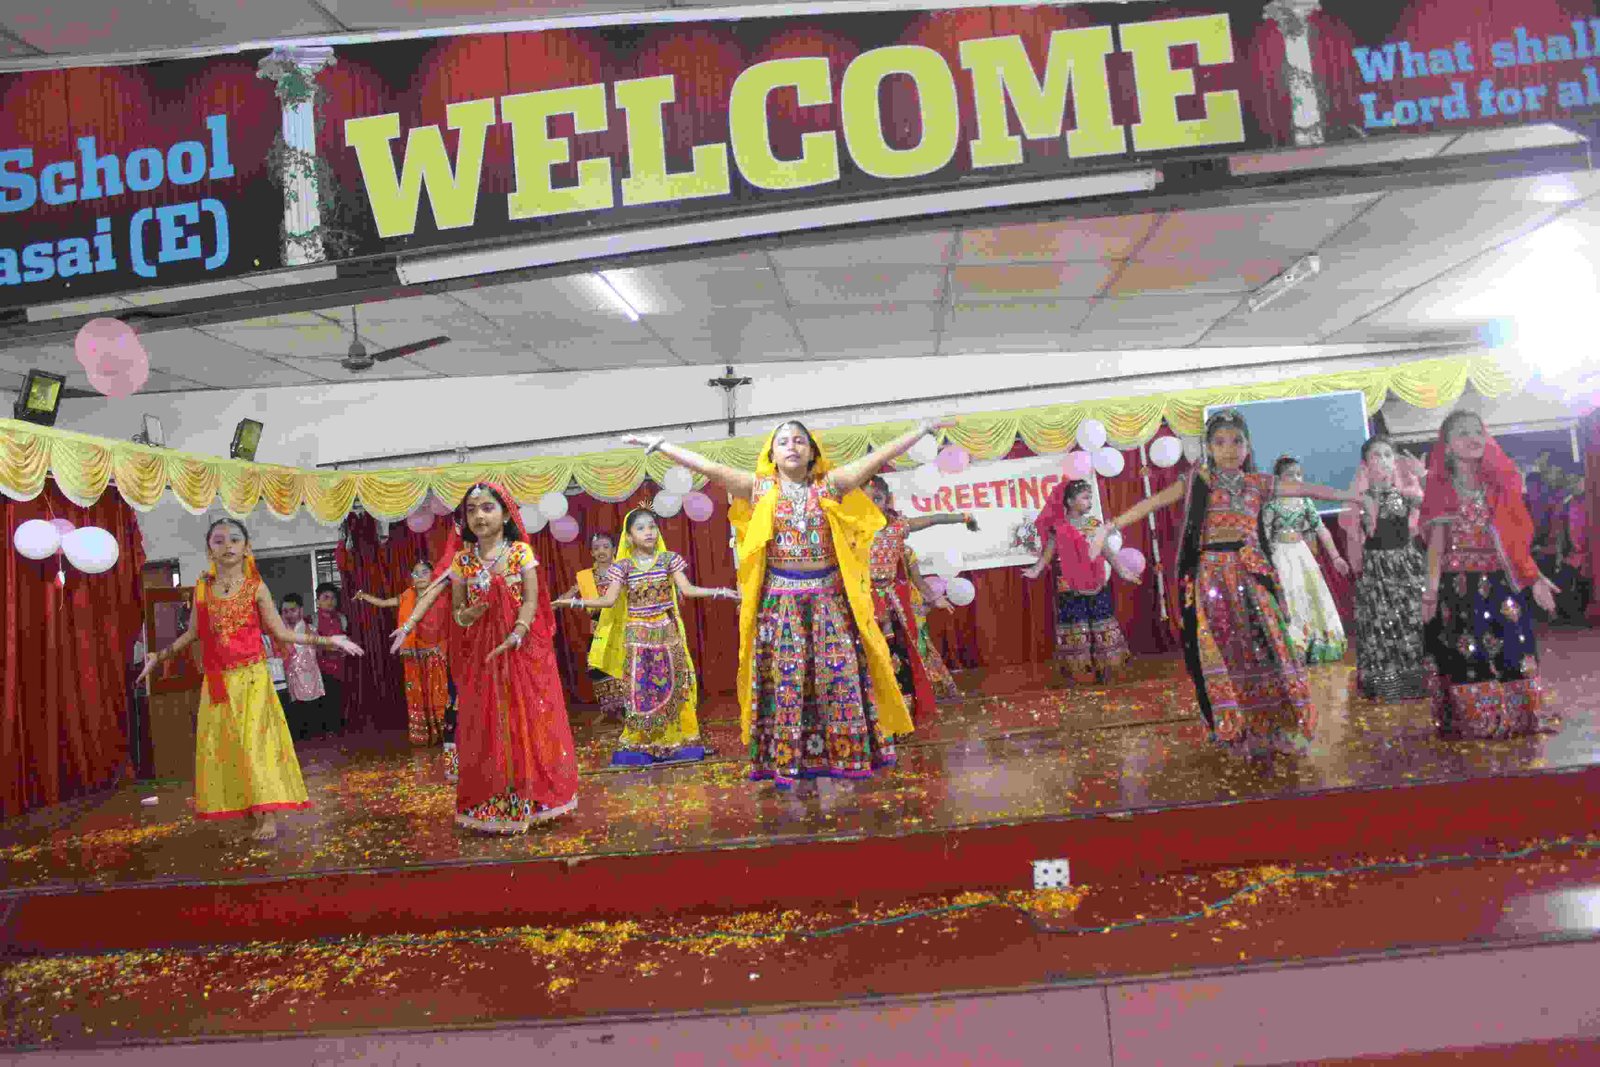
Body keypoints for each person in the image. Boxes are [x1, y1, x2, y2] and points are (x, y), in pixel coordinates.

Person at [622, 417, 954, 789]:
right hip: (780, 605)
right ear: (772, 454)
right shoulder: (759, 488)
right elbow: (711, 468)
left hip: (829, 601)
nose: (792, 447)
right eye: (783, 442)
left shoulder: (831, 485)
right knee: (787, 682)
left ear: (812, 451)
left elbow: (875, 459)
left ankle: (848, 755)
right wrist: (663, 446)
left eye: (799, 441)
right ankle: (789, 760)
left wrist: (921, 430)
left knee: (839, 678)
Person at [1091, 409, 1367, 755]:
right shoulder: (1198, 482)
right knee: (1222, 652)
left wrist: (1353, 497)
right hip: (1212, 578)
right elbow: (1151, 504)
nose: (1229, 449)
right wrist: (1109, 527)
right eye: (1220, 442)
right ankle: (1233, 727)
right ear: (1209, 447)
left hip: (1252, 574)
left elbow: (1305, 489)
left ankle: (1278, 723)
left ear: (1248, 446)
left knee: (1270, 647)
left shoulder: (1258, 483)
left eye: (1237, 441)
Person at [136, 519, 363, 840]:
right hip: (218, 682)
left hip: (253, 679)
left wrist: (329, 640)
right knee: (229, 747)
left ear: (246, 548)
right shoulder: (202, 587)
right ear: (209, 550)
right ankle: (247, 810)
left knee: (256, 745)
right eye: (218, 540)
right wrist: (159, 656)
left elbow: (281, 632)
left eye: (234, 539)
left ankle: (267, 814)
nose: (227, 545)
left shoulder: (256, 587)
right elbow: (193, 633)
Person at [393, 483, 578, 831]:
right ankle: (496, 797)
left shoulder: (520, 553)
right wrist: (418, 624)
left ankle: (533, 796)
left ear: (506, 514)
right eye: (472, 510)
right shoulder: (463, 561)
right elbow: (456, 611)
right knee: (488, 722)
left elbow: (531, 600)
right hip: (482, 656)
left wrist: (516, 634)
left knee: (526, 719)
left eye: (487, 507)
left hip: (521, 651)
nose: (479, 515)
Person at [555, 508, 737, 764]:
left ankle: (677, 741)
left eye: (652, 526)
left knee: (675, 687)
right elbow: (607, 601)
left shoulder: (669, 559)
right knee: (640, 690)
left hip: (667, 633)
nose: (648, 532)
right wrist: (571, 603)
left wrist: (721, 592)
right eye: (640, 528)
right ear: (629, 537)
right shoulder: (623, 566)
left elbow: (688, 590)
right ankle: (642, 743)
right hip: (637, 636)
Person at [1420, 411, 1560, 739]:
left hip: (1501, 583)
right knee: (1470, 653)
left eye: (1477, 431)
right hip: (1460, 587)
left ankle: (1520, 717)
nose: (1473, 438)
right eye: (1463, 433)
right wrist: (1430, 592)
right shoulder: (1441, 488)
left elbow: (1513, 544)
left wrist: (1535, 577)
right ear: (1448, 446)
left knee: (1515, 647)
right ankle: (1480, 720)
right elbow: (1436, 547)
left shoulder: (1497, 485)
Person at [862, 476, 974, 722]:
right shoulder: (853, 529)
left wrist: (964, 517)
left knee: (900, 650)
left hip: (892, 601)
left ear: (888, 501)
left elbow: (933, 519)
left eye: (877, 499)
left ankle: (904, 704)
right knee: (870, 653)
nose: (872, 505)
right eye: (865, 500)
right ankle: (874, 707)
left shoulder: (898, 528)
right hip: (864, 601)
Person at [1025, 478, 1139, 685]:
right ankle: (1080, 673)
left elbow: (1107, 552)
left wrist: (1123, 571)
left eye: (1090, 497)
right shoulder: (1058, 527)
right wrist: (1036, 570)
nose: (1089, 502)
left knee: (1100, 624)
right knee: (1076, 627)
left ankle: (1104, 669)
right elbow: (1048, 553)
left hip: (1095, 583)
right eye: (1085, 498)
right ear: (1070, 501)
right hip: (1069, 585)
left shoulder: (1095, 525)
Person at [1343, 436, 1429, 702]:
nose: (1383, 460)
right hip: (1376, 570)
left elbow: (1436, 506)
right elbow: (1353, 538)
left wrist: (1423, 476)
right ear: (1365, 464)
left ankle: (1415, 680)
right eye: (1376, 455)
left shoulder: (1406, 495)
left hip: (1406, 566)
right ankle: (1386, 684)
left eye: (1388, 454)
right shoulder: (1359, 500)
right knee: (1380, 625)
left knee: (1412, 620)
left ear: (1395, 461)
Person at [1262, 455, 1350, 665]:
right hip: (1280, 555)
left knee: (1309, 594)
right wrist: (1267, 560)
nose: (1296, 478)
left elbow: (1321, 529)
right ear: (1278, 479)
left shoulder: (1306, 503)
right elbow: (1264, 534)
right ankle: (1293, 646)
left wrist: (1336, 556)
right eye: (1290, 475)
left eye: (1299, 474)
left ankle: (1314, 643)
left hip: (1302, 554)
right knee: (1289, 595)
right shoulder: (1271, 505)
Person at [356, 561, 452, 746]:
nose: (420, 576)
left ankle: (442, 733)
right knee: (416, 694)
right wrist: (364, 596)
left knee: (438, 693)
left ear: (433, 575)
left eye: (424, 572)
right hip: (412, 654)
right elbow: (384, 603)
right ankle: (422, 735)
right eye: (416, 573)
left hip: (435, 653)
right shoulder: (407, 595)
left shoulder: (442, 594)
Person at [560, 532, 627, 719]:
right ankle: (608, 710)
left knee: (623, 665)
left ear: (614, 549)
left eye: (606, 547)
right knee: (597, 667)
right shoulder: (586, 577)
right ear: (591, 553)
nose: (601, 551)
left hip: (622, 626)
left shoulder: (624, 572)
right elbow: (568, 596)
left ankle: (626, 709)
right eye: (596, 548)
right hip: (598, 628)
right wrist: (560, 601)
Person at [905, 545, 962, 699]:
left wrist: (933, 598)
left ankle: (923, 689)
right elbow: (918, 580)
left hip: (905, 601)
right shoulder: (904, 550)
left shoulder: (906, 551)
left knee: (919, 643)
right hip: (888, 601)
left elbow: (918, 580)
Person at [275, 593, 325, 740]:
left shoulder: (310, 629)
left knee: (311, 719)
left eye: (293, 610)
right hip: (288, 680)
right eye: (285, 611)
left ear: (301, 610)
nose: (289, 614)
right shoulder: (279, 632)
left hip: (308, 677)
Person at [314, 583, 348, 736]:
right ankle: (326, 730)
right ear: (318, 601)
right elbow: (310, 644)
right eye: (325, 597)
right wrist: (328, 647)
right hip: (320, 667)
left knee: (339, 697)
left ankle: (338, 729)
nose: (330, 601)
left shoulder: (342, 618)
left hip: (340, 665)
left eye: (333, 598)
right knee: (325, 699)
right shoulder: (313, 620)